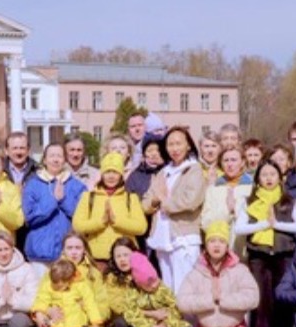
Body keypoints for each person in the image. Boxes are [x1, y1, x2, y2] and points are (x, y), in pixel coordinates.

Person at [234, 160, 296, 327]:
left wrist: (277, 225)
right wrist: (264, 224)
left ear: (280, 177)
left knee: (282, 303)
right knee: (261, 304)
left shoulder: (288, 201)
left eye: (272, 174)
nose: (268, 178)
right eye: (264, 174)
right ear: (257, 179)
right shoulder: (250, 201)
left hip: (283, 256)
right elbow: (240, 227)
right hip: (259, 256)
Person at [177, 221, 259, 327]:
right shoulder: (196, 272)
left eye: (221, 241)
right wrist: (209, 300)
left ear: (227, 245)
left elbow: (253, 297)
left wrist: (224, 299)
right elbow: (182, 301)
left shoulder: (239, 270)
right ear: (206, 245)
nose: (216, 245)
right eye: (212, 241)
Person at [142, 126, 207, 293]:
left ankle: (187, 320)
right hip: (162, 238)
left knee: (185, 289)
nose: (174, 149)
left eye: (179, 143)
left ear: (188, 146)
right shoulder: (164, 172)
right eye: (170, 144)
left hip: (183, 237)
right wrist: (156, 199)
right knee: (168, 290)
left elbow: (191, 200)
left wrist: (164, 200)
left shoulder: (194, 169)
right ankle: (173, 320)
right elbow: (146, 202)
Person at [47, 232, 113, 327]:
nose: (74, 252)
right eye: (70, 248)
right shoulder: (53, 273)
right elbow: (44, 300)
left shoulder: (94, 274)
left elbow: (105, 308)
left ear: (85, 250)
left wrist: (89, 311)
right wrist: (50, 311)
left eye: (78, 247)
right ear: (63, 251)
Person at [22, 142, 87, 277]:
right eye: (52, 156)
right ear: (44, 160)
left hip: (67, 252)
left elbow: (81, 215)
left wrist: (63, 200)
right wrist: (53, 201)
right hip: (40, 252)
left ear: (64, 160)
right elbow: (30, 217)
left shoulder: (76, 185)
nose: (56, 159)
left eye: (59, 156)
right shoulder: (33, 184)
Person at [72, 152, 148, 264]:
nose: (111, 176)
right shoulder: (88, 197)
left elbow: (141, 228)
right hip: (96, 258)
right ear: (101, 174)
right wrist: (100, 222)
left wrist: (116, 221)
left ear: (121, 175)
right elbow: (77, 225)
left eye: (115, 172)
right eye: (107, 172)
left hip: (124, 259)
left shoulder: (131, 198)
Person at [200, 145, 254, 257]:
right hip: (220, 250)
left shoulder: (251, 188)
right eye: (226, 160)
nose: (230, 164)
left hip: (247, 249)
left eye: (234, 160)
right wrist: (228, 211)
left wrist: (236, 212)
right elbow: (205, 222)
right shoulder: (213, 189)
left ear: (242, 162)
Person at [103, 237, 139, 327]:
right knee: (121, 323)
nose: (122, 260)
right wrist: (138, 309)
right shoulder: (111, 278)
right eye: (118, 256)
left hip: (140, 319)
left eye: (126, 255)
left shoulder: (143, 273)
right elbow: (116, 305)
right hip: (120, 323)